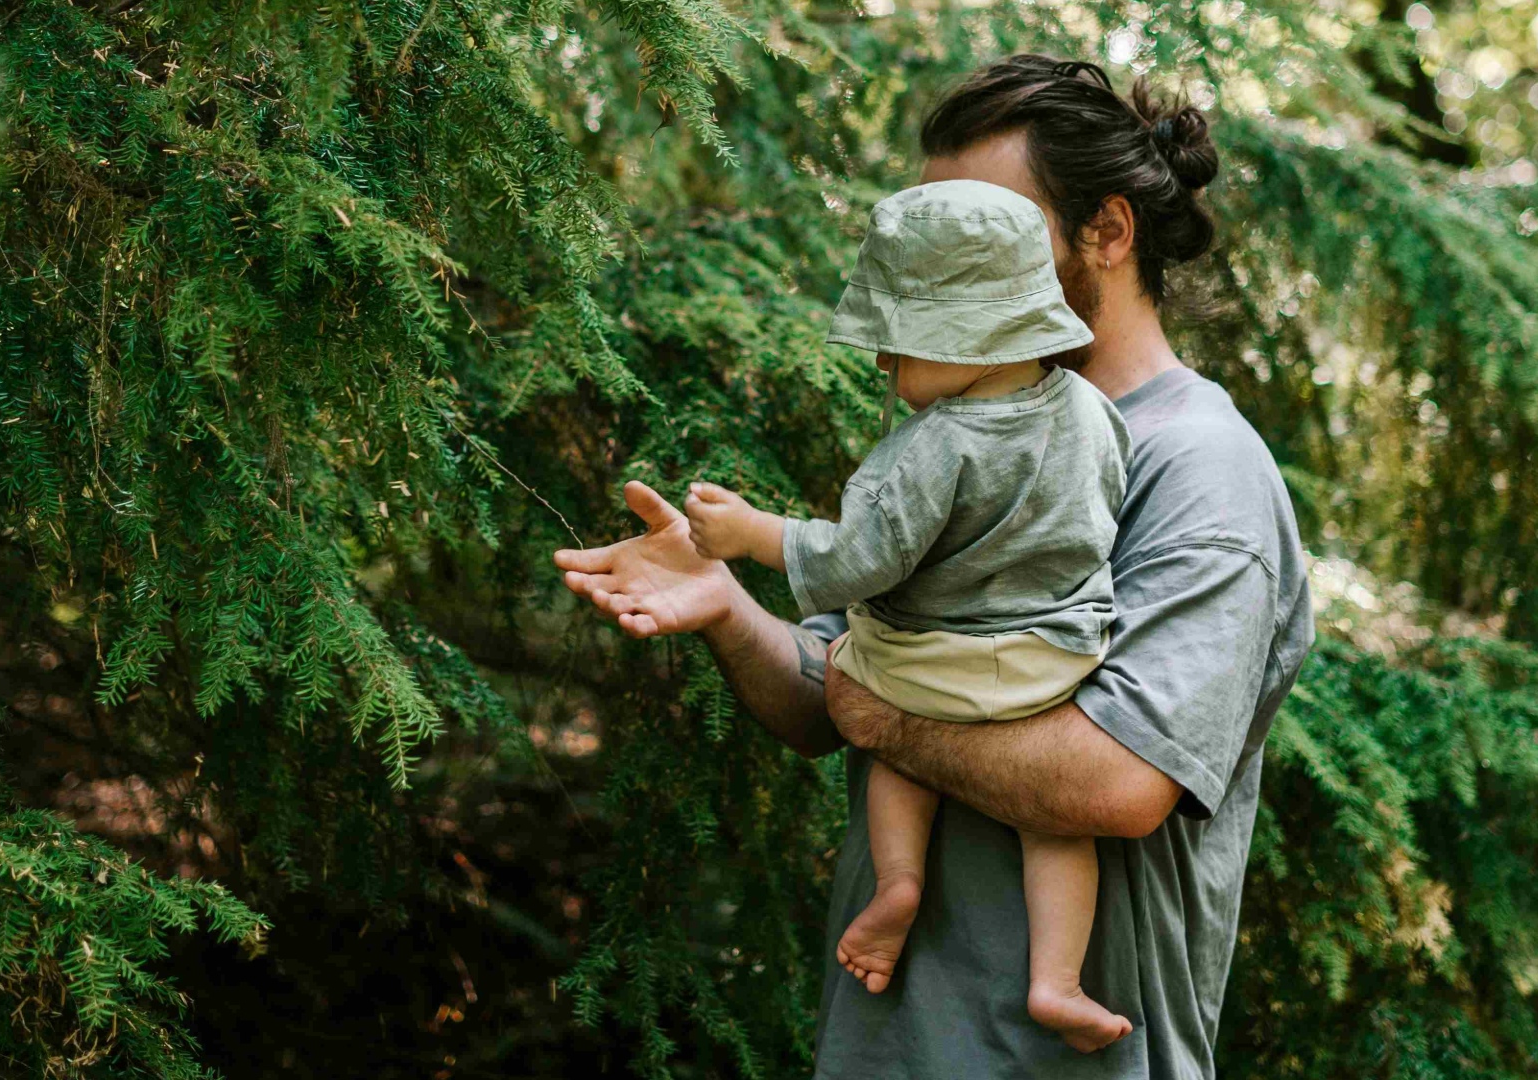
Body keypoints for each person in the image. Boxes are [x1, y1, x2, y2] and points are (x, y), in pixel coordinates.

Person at [554, 56, 1313, 1078]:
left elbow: (1120, 780)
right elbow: (831, 690)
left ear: (1110, 232)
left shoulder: (1198, 469)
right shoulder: (965, 429)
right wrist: (726, 604)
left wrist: (879, 710)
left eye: (985, 228)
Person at [682, 178, 1133, 1051]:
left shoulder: (937, 447)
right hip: (1055, 661)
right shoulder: (1092, 410)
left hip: (931, 661)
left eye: (897, 348)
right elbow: (1103, 513)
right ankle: (1058, 981)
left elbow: (858, 559)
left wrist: (751, 532)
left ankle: (898, 883)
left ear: (966, 337)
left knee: (887, 721)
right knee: (1056, 824)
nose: (884, 368)